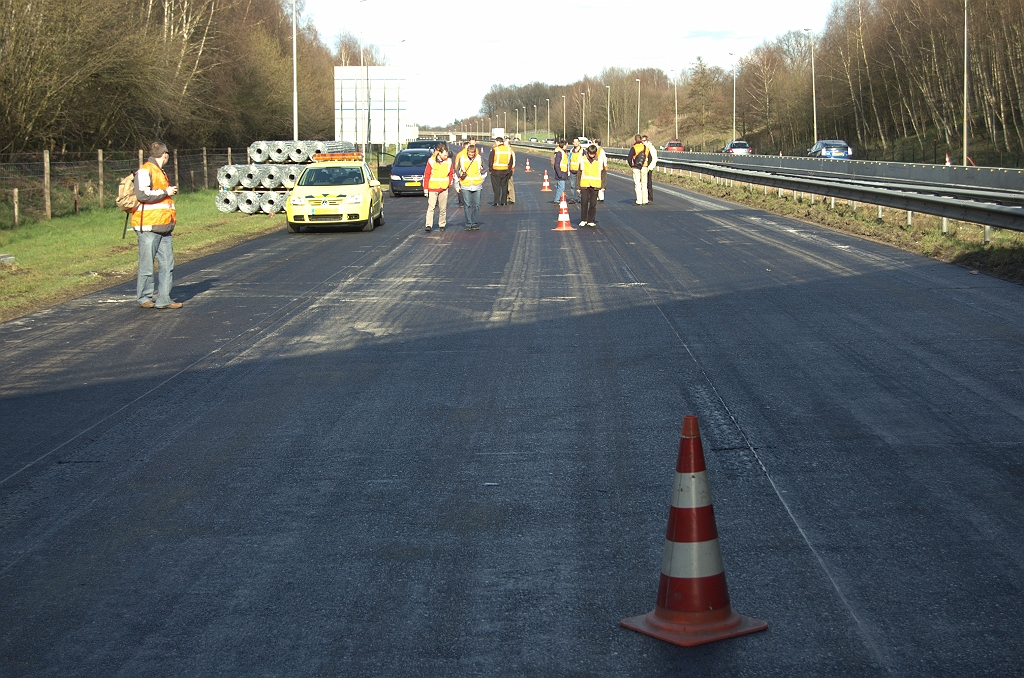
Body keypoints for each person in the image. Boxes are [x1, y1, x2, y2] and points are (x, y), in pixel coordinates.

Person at [132, 141, 181, 309]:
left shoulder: (159, 171)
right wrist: (166, 192)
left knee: (168, 264)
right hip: (148, 226)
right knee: (147, 264)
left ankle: (164, 299)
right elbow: (142, 195)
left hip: (164, 226)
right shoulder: (146, 171)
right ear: (165, 155)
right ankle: (144, 298)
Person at [455, 139, 486, 230]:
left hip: (477, 185)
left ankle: (474, 223)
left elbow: (484, 171)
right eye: (469, 153)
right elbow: (457, 173)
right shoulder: (462, 158)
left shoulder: (479, 158)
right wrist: (457, 185)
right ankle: (468, 223)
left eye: (472, 154)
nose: (471, 155)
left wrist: (480, 180)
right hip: (465, 185)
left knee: (476, 205)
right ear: (467, 152)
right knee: (467, 205)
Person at [423, 142, 453, 232]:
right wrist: (425, 189)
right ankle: (428, 225)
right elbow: (427, 175)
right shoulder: (431, 161)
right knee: (431, 207)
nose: (445, 156)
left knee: (443, 208)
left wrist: (448, 183)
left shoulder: (448, 161)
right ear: (439, 153)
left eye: (446, 155)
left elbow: (451, 173)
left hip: (443, 188)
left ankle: (442, 224)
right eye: (444, 155)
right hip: (433, 187)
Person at [577, 144, 602, 227]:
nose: (591, 155)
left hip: (595, 185)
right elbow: (579, 173)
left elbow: (603, 173)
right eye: (590, 153)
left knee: (593, 203)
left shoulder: (599, 161)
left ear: (595, 153)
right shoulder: (583, 160)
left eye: (593, 154)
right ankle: (583, 219)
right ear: (588, 152)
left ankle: (590, 220)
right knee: (584, 202)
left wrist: (603, 186)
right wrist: (578, 186)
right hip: (585, 184)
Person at [488, 137, 512, 205]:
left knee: (496, 187)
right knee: (504, 186)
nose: (494, 144)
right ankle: (504, 202)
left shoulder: (495, 150)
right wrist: (508, 170)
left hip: (496, 171)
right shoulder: (508, 150)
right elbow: (511, 161)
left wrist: (490, 170)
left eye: (495, 142)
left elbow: (490, 160)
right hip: (505, 171)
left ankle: (496, 202)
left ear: (498, 142)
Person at [627, 134, 649, 205]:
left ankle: (639, 201)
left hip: (636, 167)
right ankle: (645, 200)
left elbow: (629, 158)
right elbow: (649, 156)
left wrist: (632, 165)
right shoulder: (645, 147)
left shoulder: (634, 147)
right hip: (645, 166)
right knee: (644, 184)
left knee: (637, 184)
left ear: (634, 140)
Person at [642, 134, 659, 203]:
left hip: (649, 167)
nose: (643, 142)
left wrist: (650, 167)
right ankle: (644, 197)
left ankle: (650, 197)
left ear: (647, 141)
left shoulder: (651, 148)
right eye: (642, 141)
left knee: (648, 183)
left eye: (644, 140)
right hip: (643, 167)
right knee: (643, 183)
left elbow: (654, 158)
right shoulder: (642, 147)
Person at [551, 139, 569, 204]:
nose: (566, 146)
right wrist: (559, 174)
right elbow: (557, 164)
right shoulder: (559, 153)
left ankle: (557, 199)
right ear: (564, 145)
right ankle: (557, 200)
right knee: (561, 187)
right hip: (561, 171)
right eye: (566, 145)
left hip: (562, 171)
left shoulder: (560, 151)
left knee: (560, 187)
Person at [567, 138, 583, 203]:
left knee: (580, 185)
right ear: (573, 143)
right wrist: (568, 169)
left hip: (580, 170)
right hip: (572, 170)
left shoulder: (582, 151)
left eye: (577, 142)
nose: (576, 143)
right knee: (572, 185)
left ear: (579, 142)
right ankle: (572, 198)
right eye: (574, 142)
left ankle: (580, 198)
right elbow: (569, 160)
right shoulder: (571, 151)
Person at [592, 138, 608, 202]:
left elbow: (604, 159)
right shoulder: (595, 150)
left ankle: (601, 197)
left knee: (600, 181)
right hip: (596, 167)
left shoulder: (600, 150)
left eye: (593, 142)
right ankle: (598, 196)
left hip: (600, 167)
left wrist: (605, 166)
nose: (592, 144)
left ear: (596, 143)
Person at [506, 138, 517, 204]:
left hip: (509, 170)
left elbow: (513, 162)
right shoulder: (506, 150)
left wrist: (511, 168)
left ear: (509, 145)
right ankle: (507, 197)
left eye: (505, 144)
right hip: (505, 169)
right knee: (506, 184)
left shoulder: (511, 151)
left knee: (510, 184)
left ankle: (512, 198)